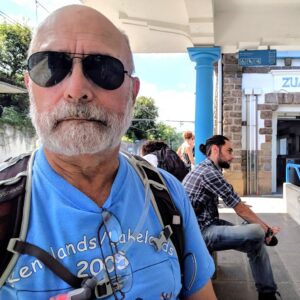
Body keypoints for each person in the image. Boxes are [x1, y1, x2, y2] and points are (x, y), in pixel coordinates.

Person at [0, 5, 216, 300]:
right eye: (51, 67)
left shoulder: (167, 193)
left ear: (133, 91)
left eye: (104, 69)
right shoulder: (6, 204)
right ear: (29, 86)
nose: (76, 89)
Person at [183, 135, 281, 300]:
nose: (232, 156)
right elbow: (240, 208)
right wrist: (266, 229)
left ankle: (267, 294)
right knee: (256, 231)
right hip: (199, 233)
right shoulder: (209, 173)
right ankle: (265, 236)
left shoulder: (206, 169)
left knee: (255, 240)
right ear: (215, 149)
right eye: (229, 151)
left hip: (207, 224)